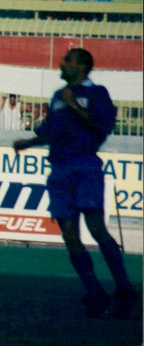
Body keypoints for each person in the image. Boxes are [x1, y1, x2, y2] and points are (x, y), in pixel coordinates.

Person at [13, 48, 136, 319]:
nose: (61, 63)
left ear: (82, 67)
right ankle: (95, 291)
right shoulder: (58, 96)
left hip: (85, 166)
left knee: (96, 228)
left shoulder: (96, 93)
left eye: (67, 61)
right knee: (69, 234)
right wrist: (28, 143)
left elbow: (102, 127)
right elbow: (49, 132)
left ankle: (124, 287)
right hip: (59, 170)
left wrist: (75, 106)